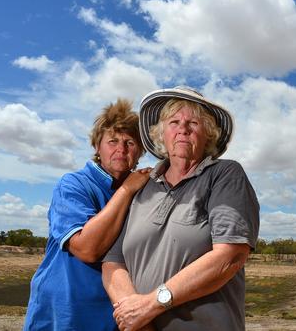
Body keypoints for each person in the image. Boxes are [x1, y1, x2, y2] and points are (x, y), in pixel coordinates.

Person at [102, 87, 260, 331]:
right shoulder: (142, 185)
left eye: (193, 123)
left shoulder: (225, 175)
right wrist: (136, 316)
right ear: (160, 134)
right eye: (174, 122)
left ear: (209, 134)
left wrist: (151, 305)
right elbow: (113, 262)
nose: (183, 129)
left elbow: (230, 256)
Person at [24, 99, 151, 331]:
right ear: (97, 146)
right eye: (112, 141)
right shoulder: (73, 184)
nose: (121, 150)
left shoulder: (144, 191)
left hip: (114, 311)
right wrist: (127, 189)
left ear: (140, 151)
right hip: (66, 311)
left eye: (130, 142)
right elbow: (86, 249)